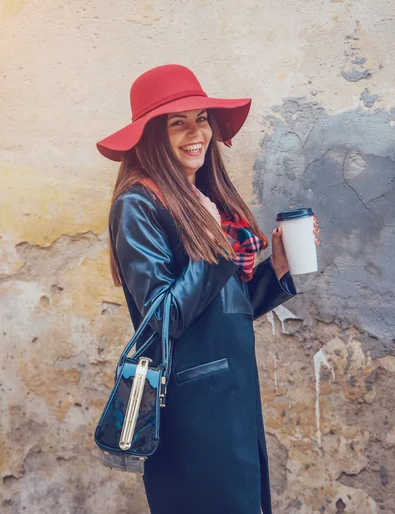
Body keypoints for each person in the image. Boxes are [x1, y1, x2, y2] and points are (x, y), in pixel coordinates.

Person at [96, 64, 319, 514]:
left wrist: (275, 270)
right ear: (153, 135)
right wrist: (214, 245)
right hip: (192, 411)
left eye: (200, 119)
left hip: (233, 400)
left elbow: (219, 310)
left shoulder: (204, 200)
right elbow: (162, 316)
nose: (195, 132)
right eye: (177, 122)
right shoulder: (138, 203)